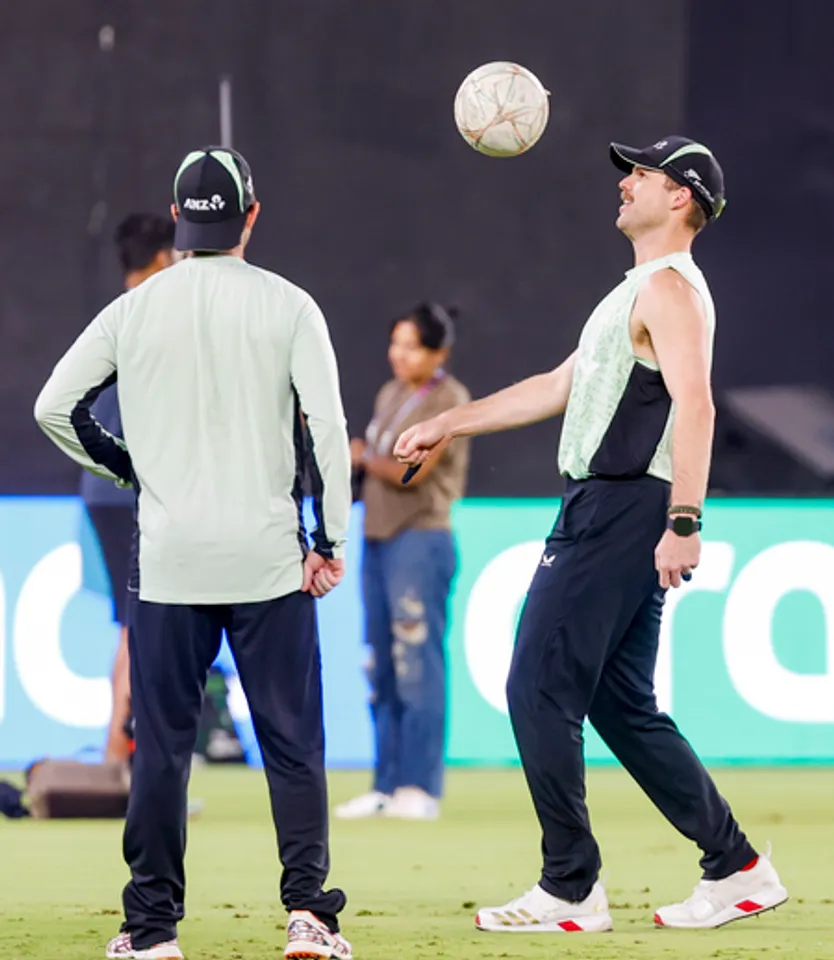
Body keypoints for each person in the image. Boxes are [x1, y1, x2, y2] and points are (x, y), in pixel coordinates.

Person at [395, 137, 788, 932]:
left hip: (621, 510)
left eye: (641, 173)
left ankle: (570, 885)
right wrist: (447, 422)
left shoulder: (671, 288)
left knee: (536, 686)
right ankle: (738, 867)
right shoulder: (639, 289)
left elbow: (698, 405)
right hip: (612, 508)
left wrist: (685, 520)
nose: (625, 182)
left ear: (680, 196)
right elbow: (555, 385)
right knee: (621, 704)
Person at [35, 146, 353, 960]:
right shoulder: (292, 307)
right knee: (292, 744)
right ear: (252, 214)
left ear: (177, 219)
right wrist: (328, 540)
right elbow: (329, 436)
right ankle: (309, 917)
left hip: (171, 562)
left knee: (164, 750)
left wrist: (128, 464)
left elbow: (55, 408)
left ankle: (151, 930)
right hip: (269, 562)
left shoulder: (133, 310)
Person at [335, 304, 470, 822]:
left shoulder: (449, 399)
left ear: (439, 352)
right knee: (381, 665)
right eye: (395, 343)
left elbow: (409, 472)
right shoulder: (391, 393)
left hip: (421, 536)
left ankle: (421, 785)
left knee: (418, 663)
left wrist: (361, 456)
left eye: (411, 345)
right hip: (378, 536)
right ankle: (386, 783)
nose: (398, 354)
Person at [80, 213, 176, 763]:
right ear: (165, 257)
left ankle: (120, 756)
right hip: (136, 485)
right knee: (143, 625)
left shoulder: (114, 313)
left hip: (103, 486)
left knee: (131, 620)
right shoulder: (159, 310)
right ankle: (122, 759)